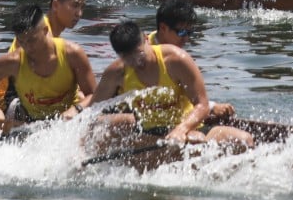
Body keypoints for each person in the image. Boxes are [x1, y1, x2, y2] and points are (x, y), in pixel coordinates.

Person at [89, 18, 253, 145]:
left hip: (188, 127)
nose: (136, 62)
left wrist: (181, 130)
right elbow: (91, 113)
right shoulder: (116, 72)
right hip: (148, 134)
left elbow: (202, 105)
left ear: (146, 39)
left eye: (139, 54)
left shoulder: (176, 60)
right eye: (128, 58)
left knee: (244, 140)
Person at [0, 3, 96, 123]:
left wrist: (76, 110)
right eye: (22, 42)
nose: (28, 48)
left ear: (45, 31)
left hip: (66, 119)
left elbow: (96, 96)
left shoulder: (72, 54)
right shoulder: (14, 61)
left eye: (32, 40)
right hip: (28, 120)